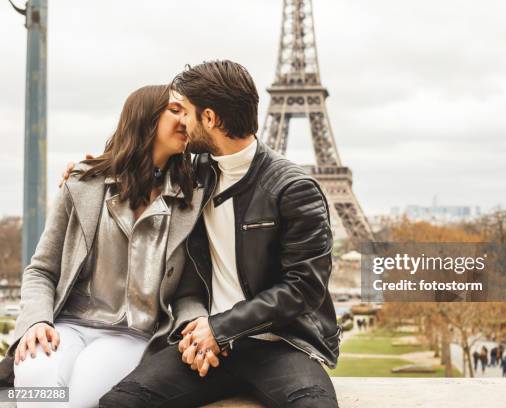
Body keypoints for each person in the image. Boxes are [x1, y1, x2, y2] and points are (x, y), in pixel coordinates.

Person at [99, 60, 341, 407]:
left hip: (280, 344)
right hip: (208, 343)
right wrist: (89, 171)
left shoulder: (293, 188)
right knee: (119, 403)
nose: (181, 121)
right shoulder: (192, 173)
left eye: (186, 112)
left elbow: (304, 287)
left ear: (210, 119)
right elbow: (133, 164)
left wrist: (221, 327)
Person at [0, 85, 207, 407]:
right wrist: (37, 320)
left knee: (80, 397)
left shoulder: (191, 199)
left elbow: (188, 292)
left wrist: (195, 324)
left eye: (189, 113)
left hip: (132, 332)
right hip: (68, 322)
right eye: (175, 110)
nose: (186, 120)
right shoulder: (84, 183)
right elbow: (41, 268)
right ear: (145, 118)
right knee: (33, 380)